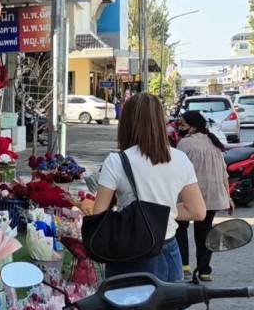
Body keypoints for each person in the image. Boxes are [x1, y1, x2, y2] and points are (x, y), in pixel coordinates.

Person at [93, 93, 206, 282]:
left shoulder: (116, 161)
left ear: (126, 123)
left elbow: (98, 214)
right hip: (169, 251)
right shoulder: (180, 159)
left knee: (124, 300)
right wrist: (161, 213)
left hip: (128, 254)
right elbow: (198, 211)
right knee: (171, 301)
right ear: (160, 122)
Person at [174, 111, 231, 281]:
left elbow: (177, 170)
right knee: (205, 232)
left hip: (189, 194)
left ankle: (184, 266)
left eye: (182, 124)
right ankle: (204, 270)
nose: (179, 127)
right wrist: (228, 196)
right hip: (213, 195)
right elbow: (224, 173)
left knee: (179, 228)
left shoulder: (185, 144)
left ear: (193, 127)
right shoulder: (214, 142)